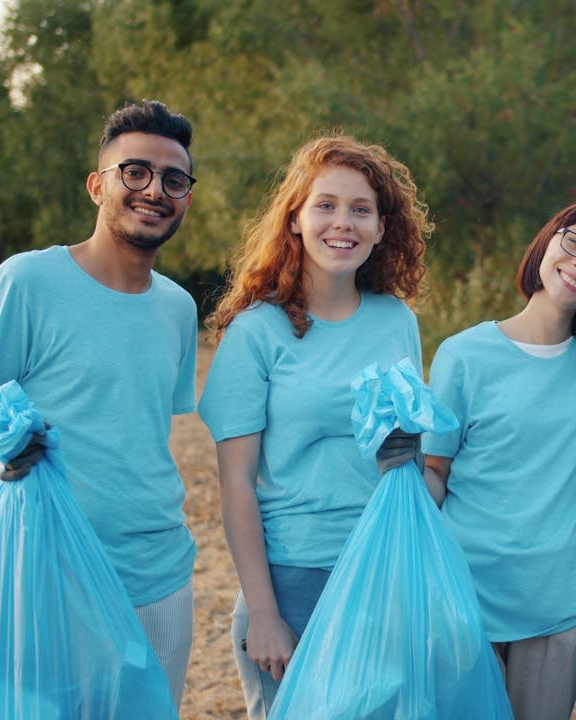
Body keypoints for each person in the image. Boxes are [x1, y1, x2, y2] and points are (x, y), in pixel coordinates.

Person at [0, 100, 200, 706]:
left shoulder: (178, 307)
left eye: (174, 180)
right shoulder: (24, 282)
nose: (155, 191)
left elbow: (145, 435)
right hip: (46, 573)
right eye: (135, 172)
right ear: (98, 186)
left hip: (160, 572)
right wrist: (4, 446)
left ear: (186, 199)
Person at [197, 134, 430, 720]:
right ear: (295, 219)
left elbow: (411, 463)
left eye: (361, 209)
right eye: (325, 205)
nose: (342, 223)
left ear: (382, 229)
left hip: (382, 574)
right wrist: (265, 612)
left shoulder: (395, 321)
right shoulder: (257, 331)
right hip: (291, 579)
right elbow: (236, 485)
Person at [412, 200, 576, 720]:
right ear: (548, 241)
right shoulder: (464, 354)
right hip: (466, 596)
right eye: (575, 242)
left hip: (558, 601)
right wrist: (402, 474)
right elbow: (437, 472)